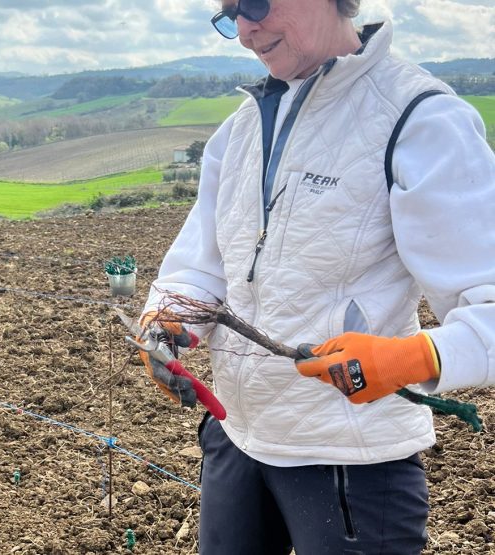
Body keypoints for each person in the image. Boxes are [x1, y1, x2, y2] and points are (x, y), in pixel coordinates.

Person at [137, 1, 495, 553]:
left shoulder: (418, 118)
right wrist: (163, 327)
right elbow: (201, 264)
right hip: (236, 438)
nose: (245, 30)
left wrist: (410, 359)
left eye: (254, 3)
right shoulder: (240, 131)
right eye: (229, 16)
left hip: (350, 459)